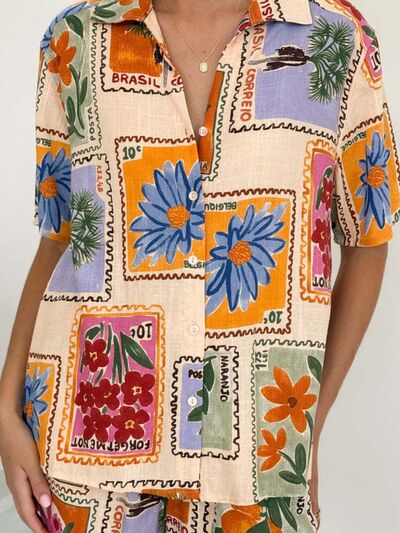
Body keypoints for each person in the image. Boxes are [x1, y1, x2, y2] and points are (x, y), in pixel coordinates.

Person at [0, 0, 399, 531]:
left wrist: (305, 427)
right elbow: (62, 238)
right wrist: (5, 411)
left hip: (258, 462)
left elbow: (368, 239)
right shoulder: (76, 37)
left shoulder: (338, 39)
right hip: (88, 449)